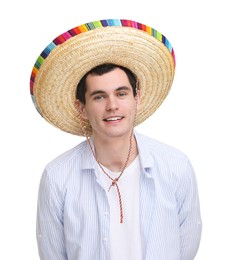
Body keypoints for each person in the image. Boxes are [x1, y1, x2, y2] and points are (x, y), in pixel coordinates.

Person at [30, 19, 202, 260]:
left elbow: (187, 247)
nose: (112, 106)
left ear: (137, 98)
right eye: (99, 97)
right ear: (82, 108)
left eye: (121, 93)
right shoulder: (57, 177)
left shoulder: (176, 167)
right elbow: (52, 254)